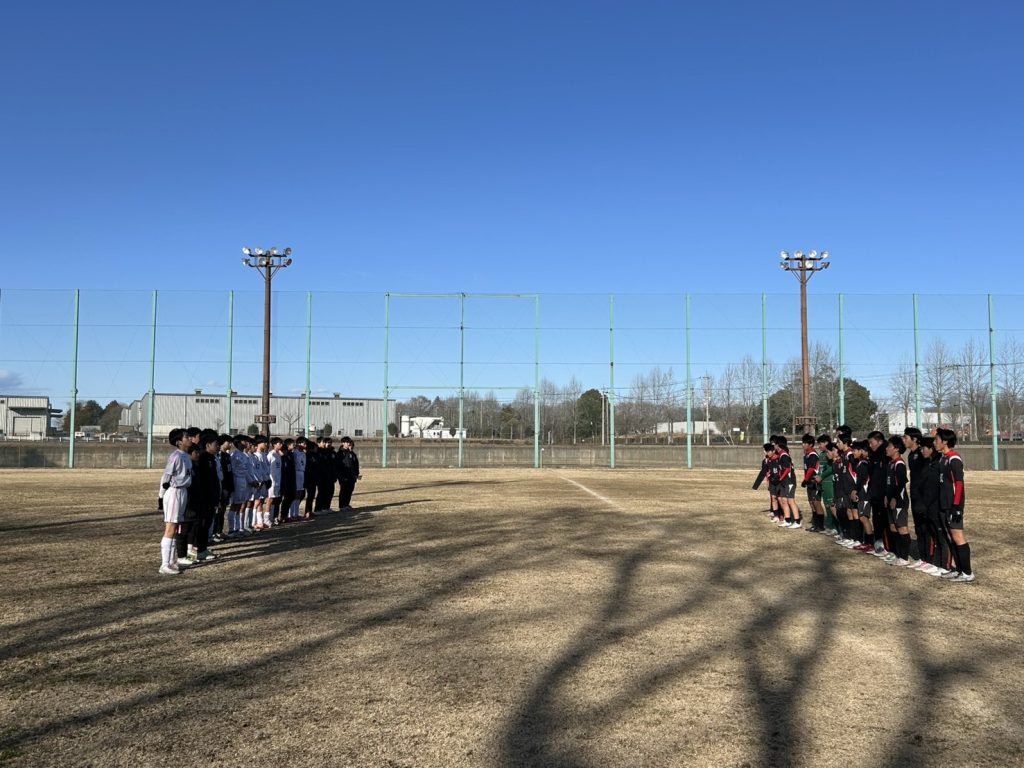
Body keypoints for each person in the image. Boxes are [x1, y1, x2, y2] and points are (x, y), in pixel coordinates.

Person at [936, 428, 975, 583]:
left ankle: (967, 572)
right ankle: (959, 570)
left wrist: (956, 507)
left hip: (953, 506)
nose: (935, 443)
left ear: (945, 441)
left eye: (937, 440)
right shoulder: (943, 458)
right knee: (951, 537)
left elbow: (959, 484)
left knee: (958, 536)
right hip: (944, 504)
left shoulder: (954, 459)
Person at [158, 429, 192, 575]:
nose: (189, 439)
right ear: (179, 442)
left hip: (183, 491)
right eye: (186, 437)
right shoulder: (176, 456)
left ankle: (171, 561)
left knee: (177, 526)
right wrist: (161, 496)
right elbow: (167, 475)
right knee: (170, 527)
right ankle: (164, 564)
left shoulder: (186, 456)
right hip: (174, 492)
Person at [882, 436, 912, 566]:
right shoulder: (891, 463)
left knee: (901, 527)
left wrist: (894, 497)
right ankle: (898, 553)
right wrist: (886, 496)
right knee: (893, 527)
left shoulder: (899, 464)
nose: (887, 449)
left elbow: (901, 483)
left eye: (889, 446)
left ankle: (904, 557)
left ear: (896, 449)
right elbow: (889, 483)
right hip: (890, 500)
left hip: (899, 501)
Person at [851, 440, 876, 553]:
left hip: (865, 495)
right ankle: (866, 542)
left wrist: (855, 491)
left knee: (864, 518)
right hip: (862, 494)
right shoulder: (860, 463)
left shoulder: (864, 464)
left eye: (855, 450)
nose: (853, 453)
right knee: (862, 517)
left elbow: (862, 480)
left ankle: (870, 543)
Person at [774, 435, 801, 529]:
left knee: (790, 501)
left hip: (789, 481)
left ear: (778, 445)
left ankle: (797, 521)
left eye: (775, 444)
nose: (774, 446)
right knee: (784, 500)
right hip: (784, 481)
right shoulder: (780, 455)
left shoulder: (784, 455)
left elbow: (787, 469)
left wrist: (780, 478)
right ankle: (788, 520)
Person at [800, 433, 824, 532]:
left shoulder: (813, 455)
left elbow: (811, 469)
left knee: (816, 502)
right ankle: (815, 524)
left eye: (805, 443)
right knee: (811, 503)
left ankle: (820, 526)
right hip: (809, 482)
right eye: (803, 443)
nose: (803, 445)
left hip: (814, 482)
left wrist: (805, 479)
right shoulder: (806, 455)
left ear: (810, 444)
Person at [336, 436, 361, 515]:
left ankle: (346, 504)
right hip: (344, 476)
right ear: (343, 443)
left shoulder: (351, 453)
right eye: (347, 442)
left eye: (349, 442)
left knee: (350, 490)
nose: (349, 444)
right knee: (344, 490)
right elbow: (339, 466)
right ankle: (342, 506)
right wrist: (341, 476)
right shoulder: (340, 453)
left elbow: (355, 464)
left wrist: (356, 474)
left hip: (351, 476)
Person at [314, 436, 337, 514]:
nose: (326, 444)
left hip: (330, 475)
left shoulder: (330, 452)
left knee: (330, 492)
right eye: (324, 442)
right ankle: (318, 509)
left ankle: (326, 507)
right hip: (321, 476)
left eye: (329, 443)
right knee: (321, 492)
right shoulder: (318, 452)